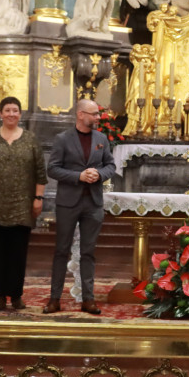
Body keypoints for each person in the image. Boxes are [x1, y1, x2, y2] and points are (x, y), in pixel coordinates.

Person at [0, 96, 47, 311]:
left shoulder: (31, 139)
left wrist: (38, 199)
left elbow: (40, 173)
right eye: (7, 110)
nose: (11, 114)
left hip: (22, 206)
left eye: (15, 110)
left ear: (20, 114)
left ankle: (15, 296)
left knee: (17, 253)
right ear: (0, 114)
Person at [44, 99, 117, 315]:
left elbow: (110, 165)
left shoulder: (101, 139)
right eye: (94, 114)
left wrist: (99, 175)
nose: (97, 118)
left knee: (88, 252)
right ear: (80, 114)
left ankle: (88, 299)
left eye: (97, 114)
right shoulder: (62, 139)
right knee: (61, 250)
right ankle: (54, 299)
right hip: (68, 202)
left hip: (92, 203)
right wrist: (79, 176)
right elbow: (53, 169)